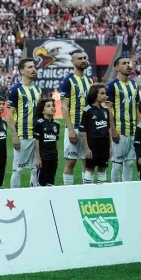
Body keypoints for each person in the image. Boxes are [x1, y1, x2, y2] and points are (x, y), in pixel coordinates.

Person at [7, 59, 42, 188]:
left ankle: (34, 193)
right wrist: (14, 136)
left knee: (36, 168)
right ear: (22, 71)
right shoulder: (15, 89)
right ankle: (14, 195)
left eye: (34, 67)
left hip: (36, 136)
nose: (34, 69)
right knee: (18, 169)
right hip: (23, 135)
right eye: (30, 67)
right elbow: (9, 114)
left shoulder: (38, 89)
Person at [59, 50, 92, 186]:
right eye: (79, 58)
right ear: (72, 62)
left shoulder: (89, 81)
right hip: (74, 127)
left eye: (84, 58)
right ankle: (68, 191)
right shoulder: (68, 81)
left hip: (88, 129)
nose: (83, 60)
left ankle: (86, 191)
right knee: (71, 162)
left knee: (87, 161)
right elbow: (64, 107)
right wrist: (71, 129)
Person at [107, 57, 141, 182]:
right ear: (117, 68)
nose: (128, 65)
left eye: (129, 63)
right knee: (117, 164)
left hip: (133, 131)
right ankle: (115, 190)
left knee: (130, 163)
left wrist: (140, 128)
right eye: (124, 63)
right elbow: (108, 110)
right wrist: (113, 130)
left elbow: (136, 108)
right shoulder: (112, 86)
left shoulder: (134, 85)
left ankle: (127, 189)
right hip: (119, 131)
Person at [80, 84, 111, 185]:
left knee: (102, 168)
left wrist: (110, 147)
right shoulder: (88, 110)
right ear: (94, 95)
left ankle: (102, 191)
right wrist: (86, 148)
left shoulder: (106, 110)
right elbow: (83, 130)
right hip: (93, 144)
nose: (105, 95)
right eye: (102, 93)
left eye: (105, 93)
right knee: (90, 168)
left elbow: (108, 129)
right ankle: (88, 190)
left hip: (104, 143)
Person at [34, 98, 60, 187]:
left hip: (53, 157)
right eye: (48, 106)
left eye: (53, 106)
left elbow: (56, 141)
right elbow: (37, 141)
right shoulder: (39, 123)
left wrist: (57, 156)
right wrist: (38, 158)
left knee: (51, 183)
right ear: (43, 111)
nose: (52, 108)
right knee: (42, 184)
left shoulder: (56, 124)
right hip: (43, 157)